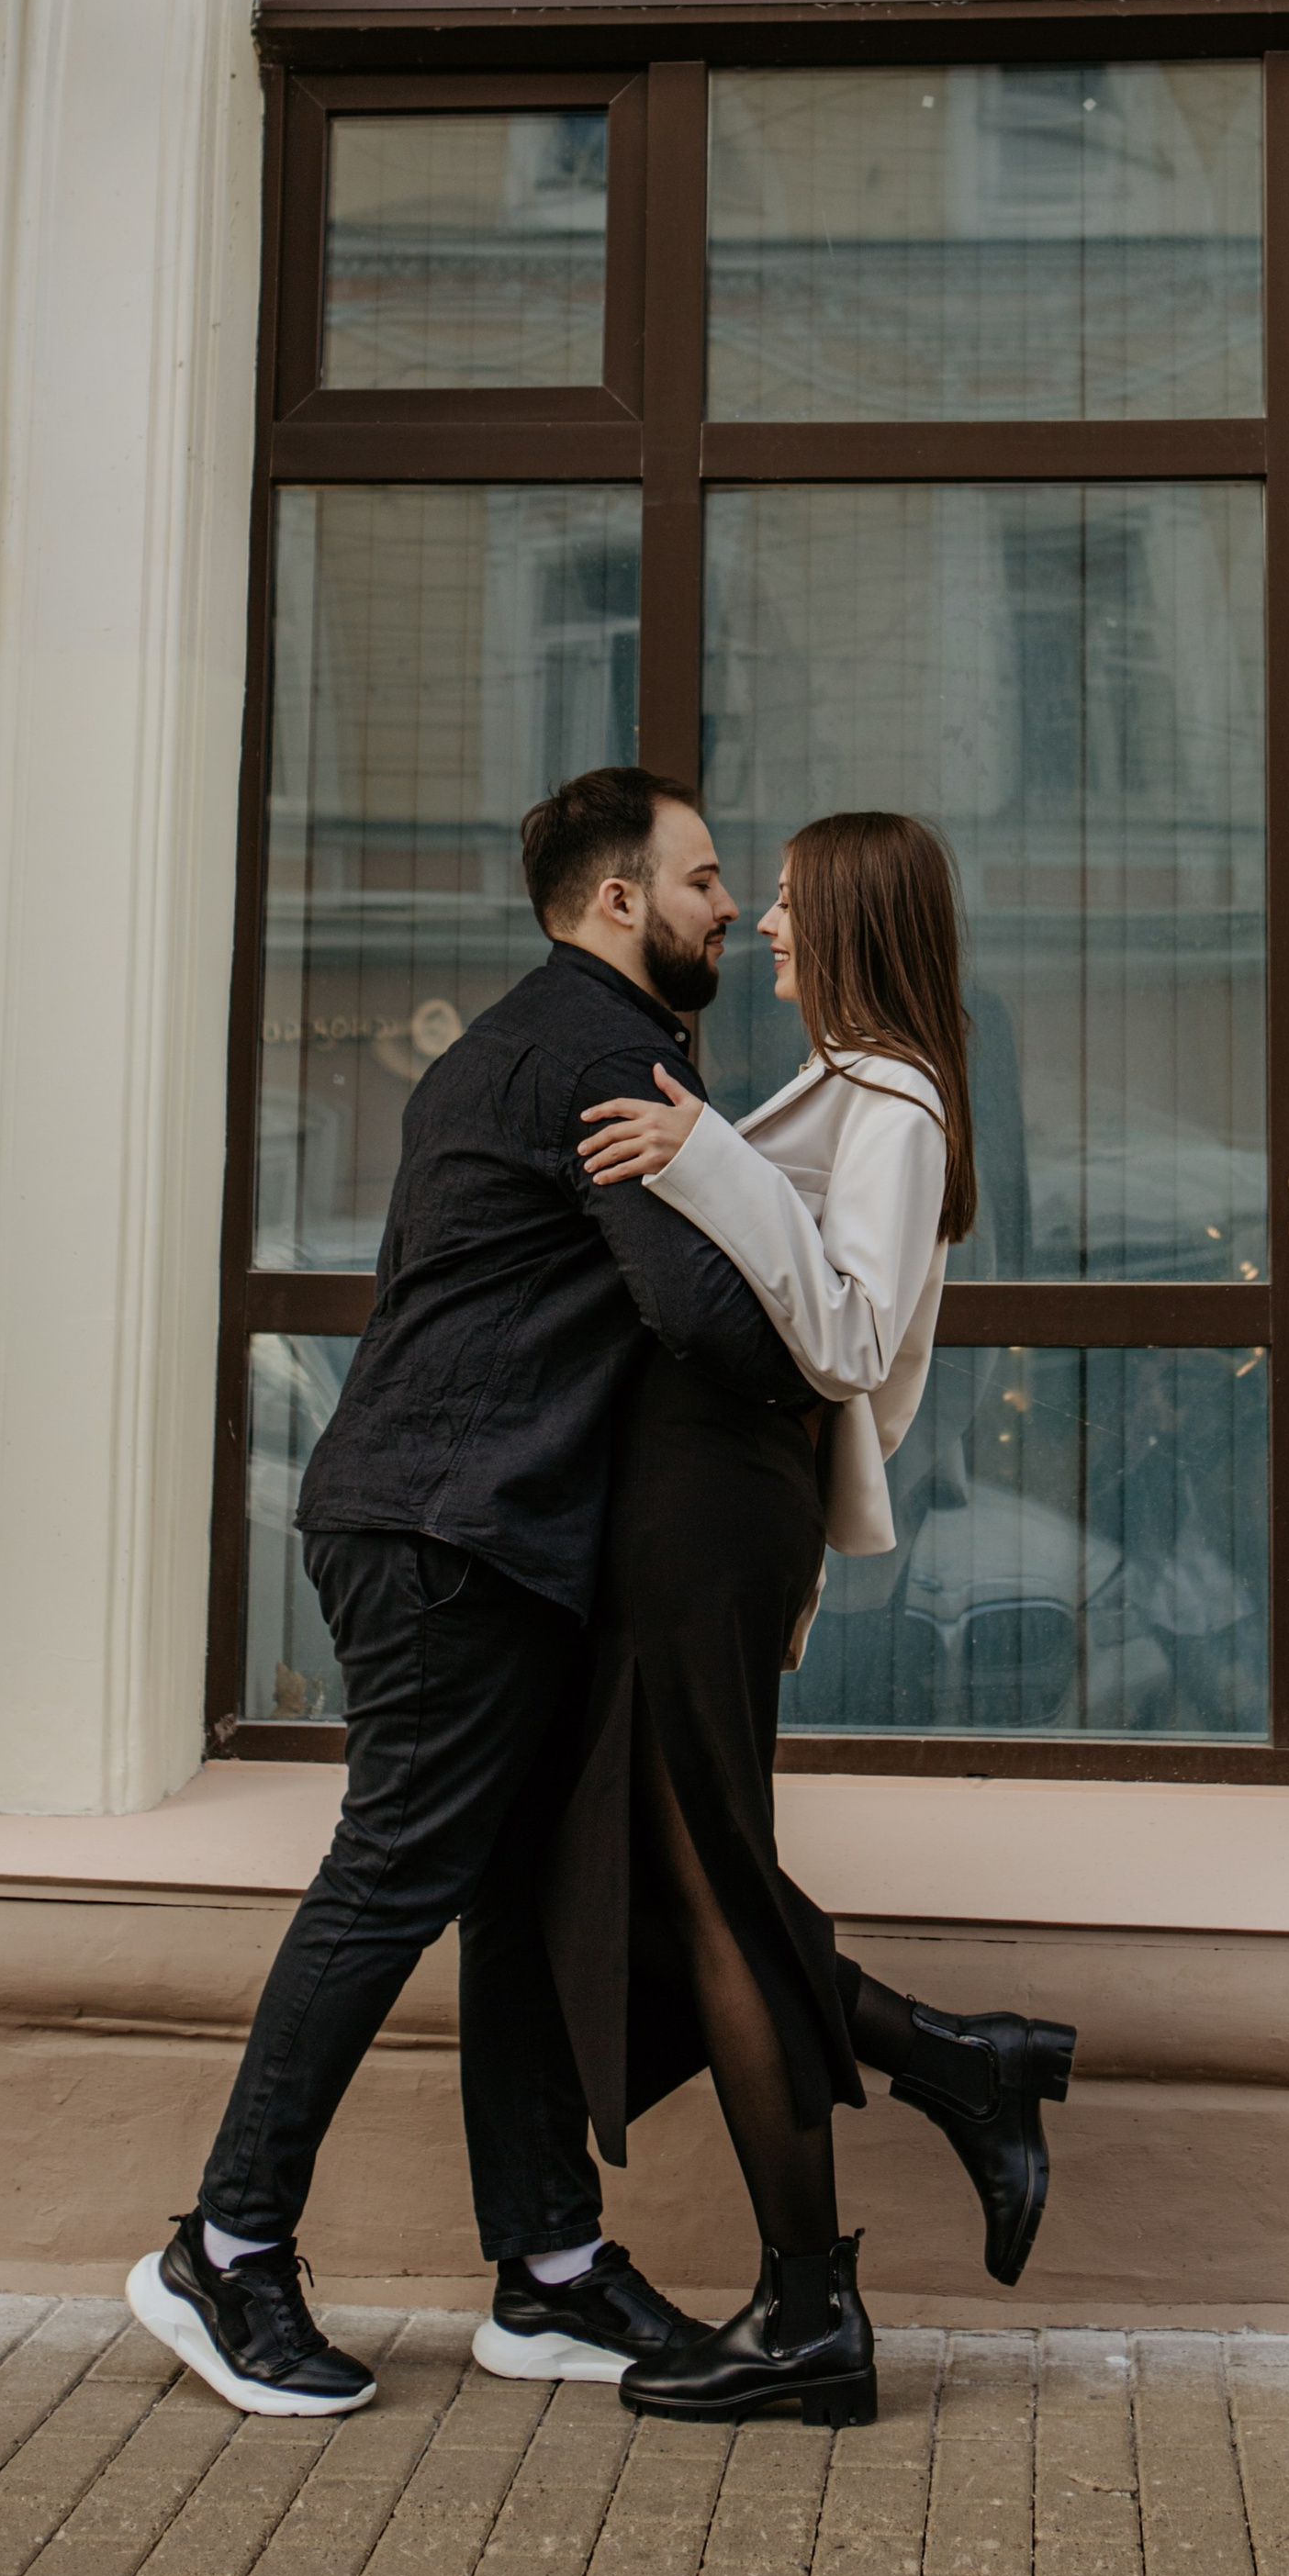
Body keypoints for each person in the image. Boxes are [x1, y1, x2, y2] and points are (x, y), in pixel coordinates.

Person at [128, 770, 826, 2417]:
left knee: (516, 1894)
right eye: (705, 879)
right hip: (454, 1533)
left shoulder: (509, 1042)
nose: (730, 906)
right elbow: (704, 1313)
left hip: (460, 1522)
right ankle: (224, 2250)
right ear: (619, 901)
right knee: (396, 1874)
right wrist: (838, 1310)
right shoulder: (601, 1055)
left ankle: (552, 2269)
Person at [553, 812, 1078, 2431]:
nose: (767, 924)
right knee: (692, 1873)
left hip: (720, 1518)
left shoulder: (898, 1100)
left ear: (853, 918)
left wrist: (698, 1153)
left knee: (712, 1882)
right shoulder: (849, 1087)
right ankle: (949, 2068)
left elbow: (848, 1334)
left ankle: (811, 2308)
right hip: (704, 1512)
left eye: (789, 901)